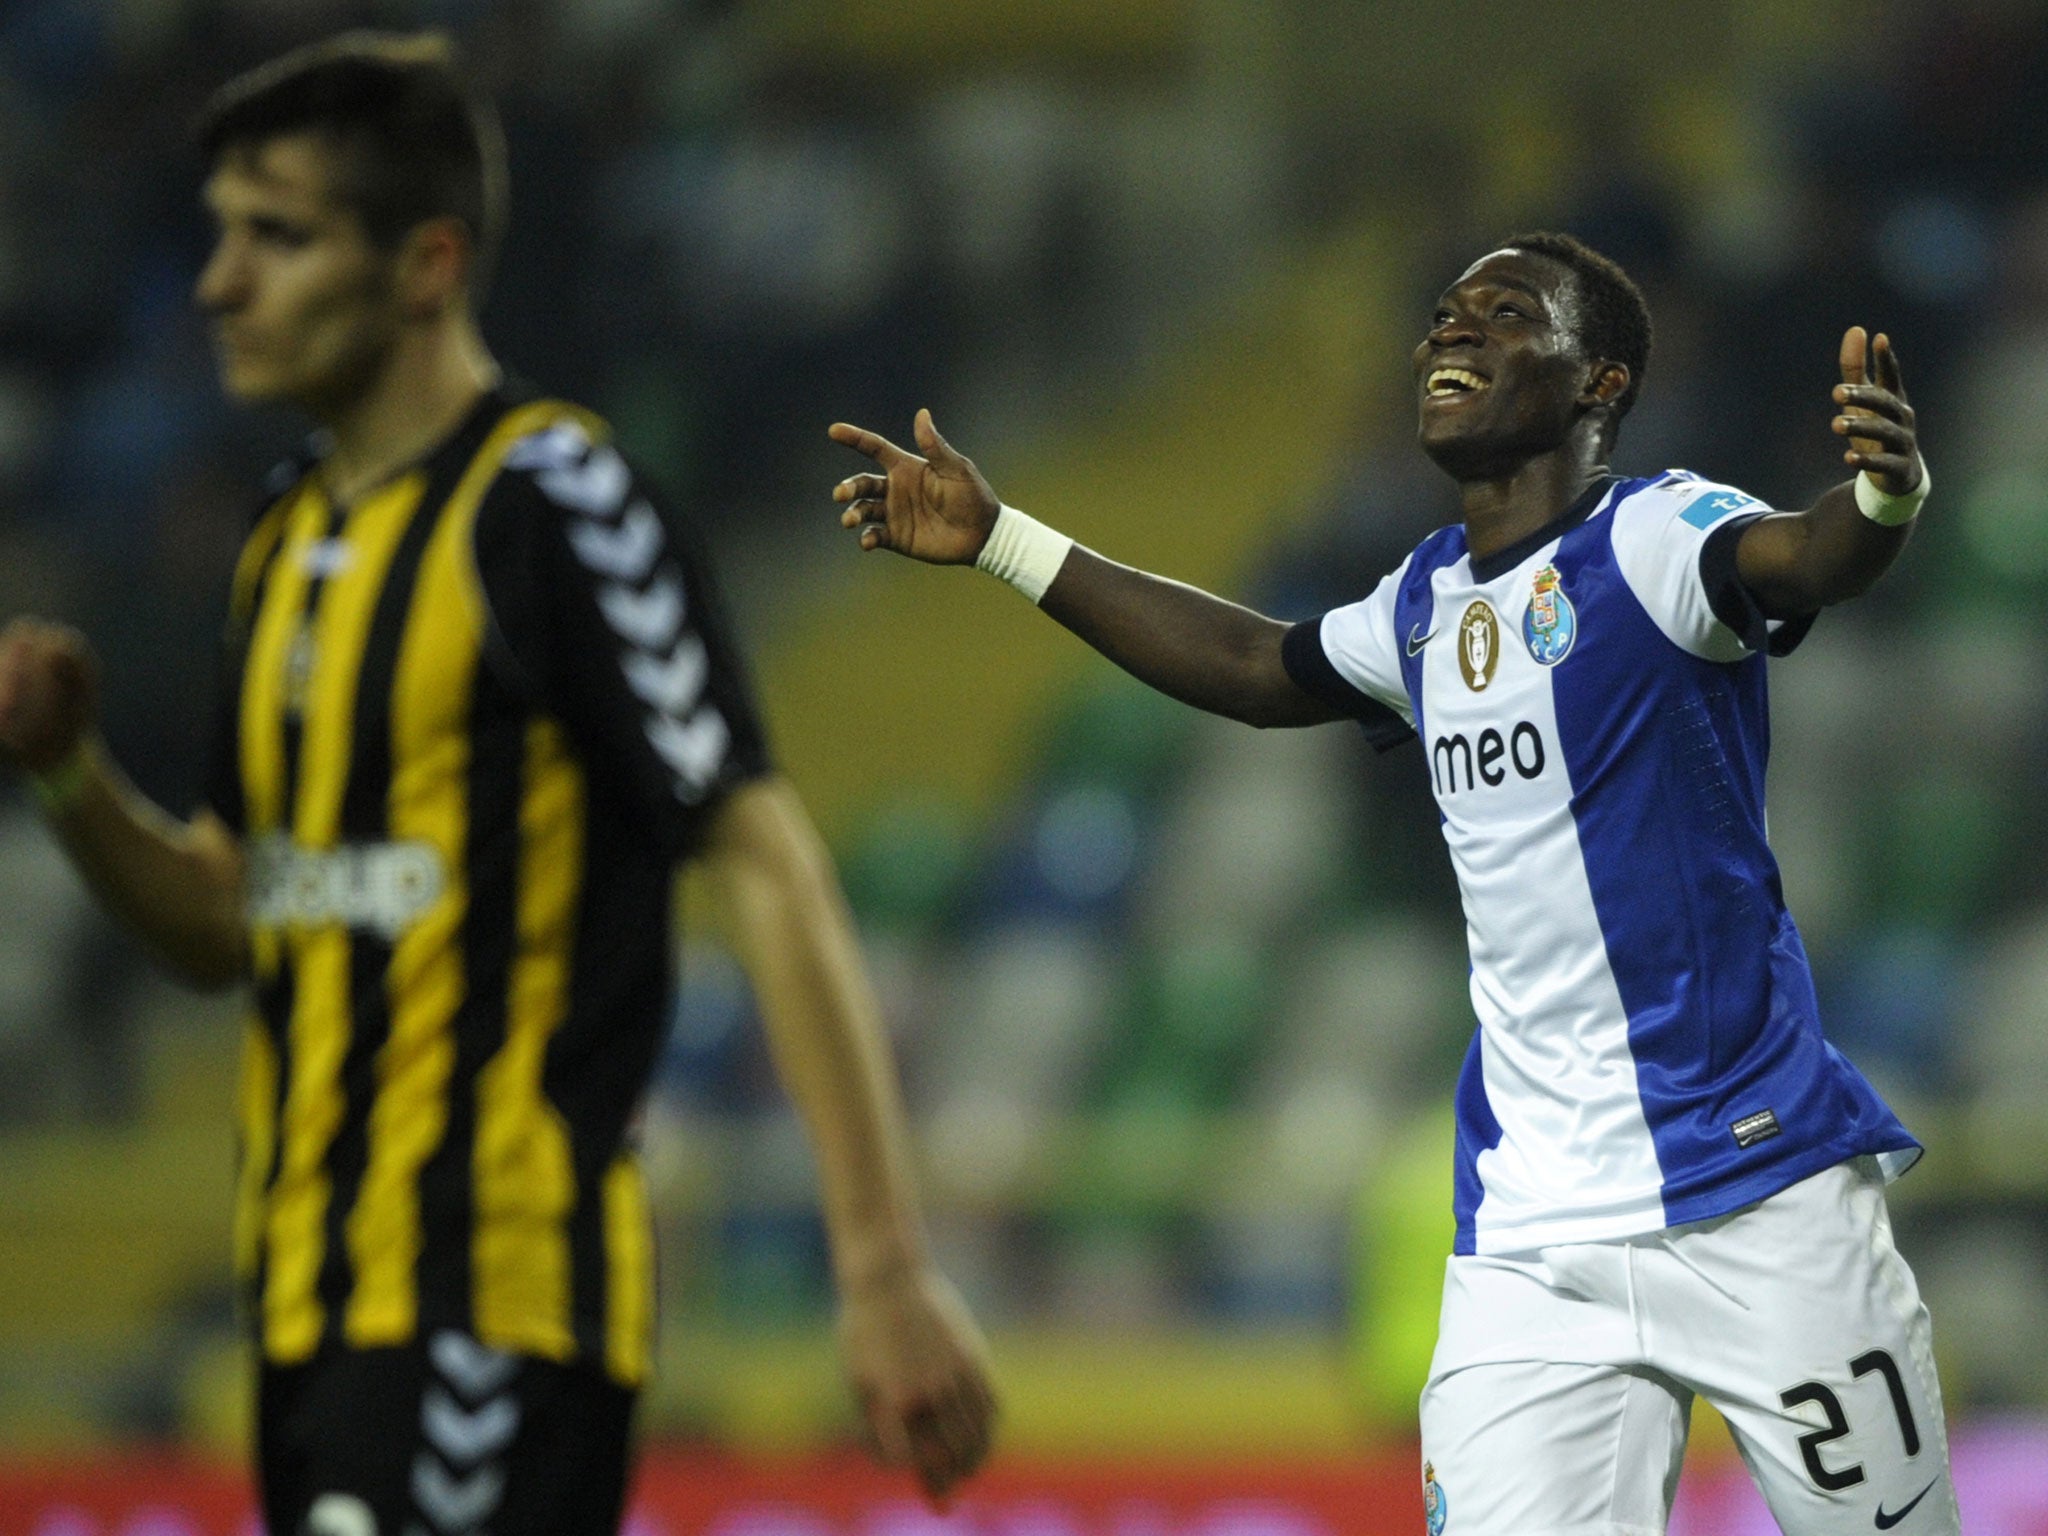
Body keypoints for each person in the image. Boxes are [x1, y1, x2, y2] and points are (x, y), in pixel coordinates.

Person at [0, 31, 994, 1536]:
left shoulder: (557, 503)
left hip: (492, 1297)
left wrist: (882, 1267)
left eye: (277, 235)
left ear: (425, 264)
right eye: (219, 236)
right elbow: (227, 914)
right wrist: (71, 776)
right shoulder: (278, 549)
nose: (219, 283)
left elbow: (763, 849)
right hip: (300, 1314)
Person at [829, 232, 1957, 1534]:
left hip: (1758, 1195)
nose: (1450, 335)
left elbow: (1802, 558)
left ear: (1601, 381)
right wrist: (1005, 543)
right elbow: (1259, 672)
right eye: (1441, 315)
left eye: (1503, 313)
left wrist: (1880, 501)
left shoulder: (1656, 535)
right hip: (1531, 1241)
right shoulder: (1422, 603)